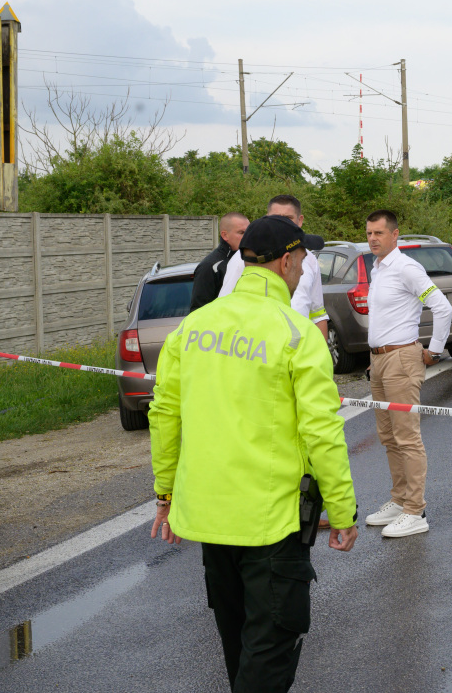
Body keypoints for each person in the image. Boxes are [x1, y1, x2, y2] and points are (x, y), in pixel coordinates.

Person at [148, 214, 358, 692]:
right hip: (270, 526)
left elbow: (164, 416)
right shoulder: (298, 334)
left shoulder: (194, 327)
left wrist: (165, 494)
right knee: (268, 655)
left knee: (239, 651)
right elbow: (322, 433)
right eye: (304, 257)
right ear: (286, 261)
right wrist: (343, 511)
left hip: (209, 523)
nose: (305, 267)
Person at [362, 209, 452, 538]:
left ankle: (415, 510)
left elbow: (442, 306)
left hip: (402, 359)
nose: (372, 238)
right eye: (369, 233)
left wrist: (435, 349)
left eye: (379, 233)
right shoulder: (378, 268)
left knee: (406, 437)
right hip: (381, 361)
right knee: (388, 437)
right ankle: (399, 501)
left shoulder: (406, 268)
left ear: (395, 234)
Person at [219, 194, 330, 341]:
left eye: (288, 218)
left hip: (300, 348)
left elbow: (318, 314)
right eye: (276, 218)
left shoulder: (310, 259)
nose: (281, 224)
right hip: (257, 347)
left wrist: (321, 353)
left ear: (300, 220)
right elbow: (225, 308)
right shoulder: (245, 258)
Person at [189, 212, 249, 313]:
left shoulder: (250, 260)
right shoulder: (209, 266)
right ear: (225, 235)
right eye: (242, 233)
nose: (248, 237)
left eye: (249, 232)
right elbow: (198, 311)